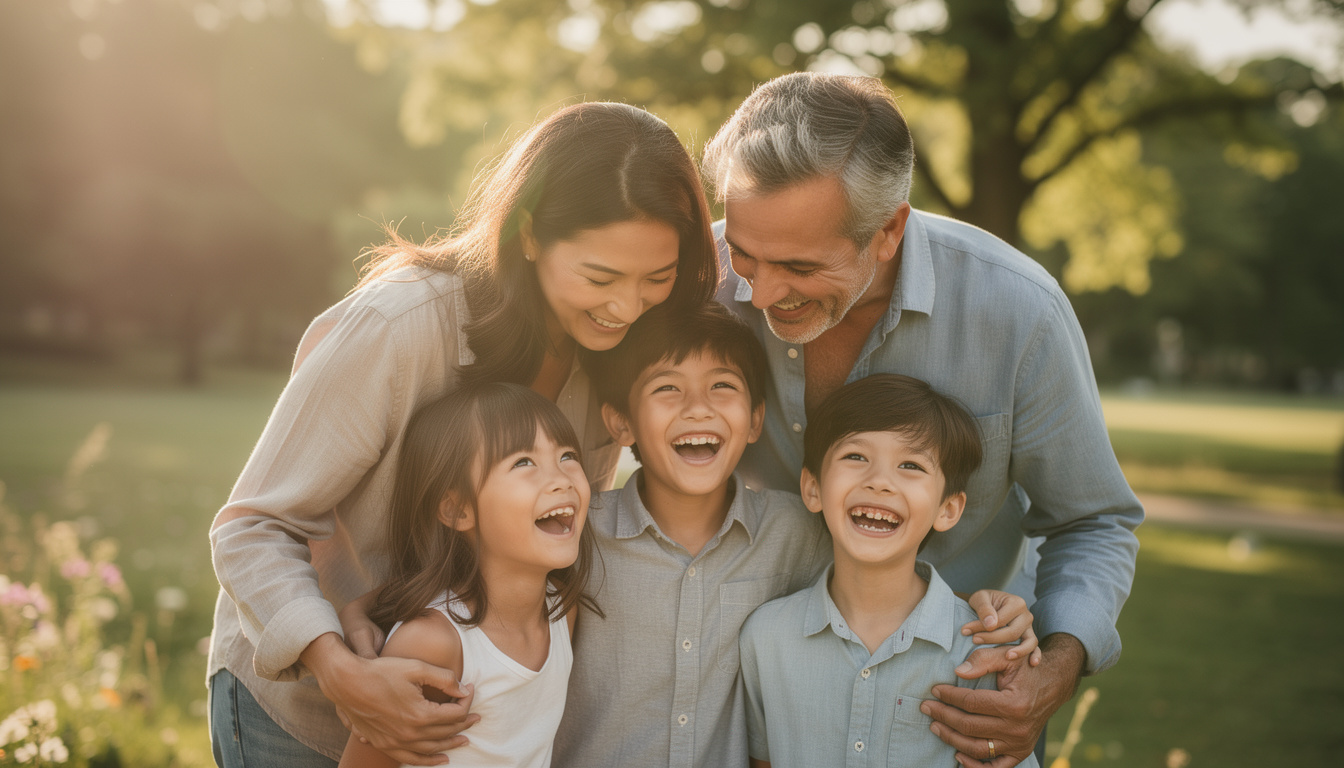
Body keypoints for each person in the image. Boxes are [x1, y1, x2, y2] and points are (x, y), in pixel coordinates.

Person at [208, 101, 719, 767]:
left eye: (657, 278)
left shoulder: (617, 350)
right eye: (600, 277)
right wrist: (340, 669)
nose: (626, 306)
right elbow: (252, 527)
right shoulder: (403, 325)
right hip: (303, 714)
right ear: (530, 233)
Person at [702, 72, 1143, 766]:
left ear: (888, 232)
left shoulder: (1018, 311)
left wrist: (1053, 672)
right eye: (746, 254)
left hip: (955, 696)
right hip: (763, 681)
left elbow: (1093, 519)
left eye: (798, 266)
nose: (759, 292)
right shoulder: (702, 277)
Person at [549, 303, 1037, 768]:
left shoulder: (796, 530)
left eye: (722, 386)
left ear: (756, 418)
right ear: (621, 422)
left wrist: (989, 607)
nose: (697, 408)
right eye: (667, 389)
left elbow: (882, 559)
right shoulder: (576, 535)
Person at [740, 374, 1039, 768]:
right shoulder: (765, 638)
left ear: (948, 509)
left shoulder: (982, 653)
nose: (880, 481)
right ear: (813, 488)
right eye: (856, 457)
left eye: (911, 465)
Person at [337, 383, 595, 768]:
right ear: (458, 510)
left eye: (567, 455)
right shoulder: (434, 644)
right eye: (523, 462)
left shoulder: (562, 612)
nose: (562, 479)